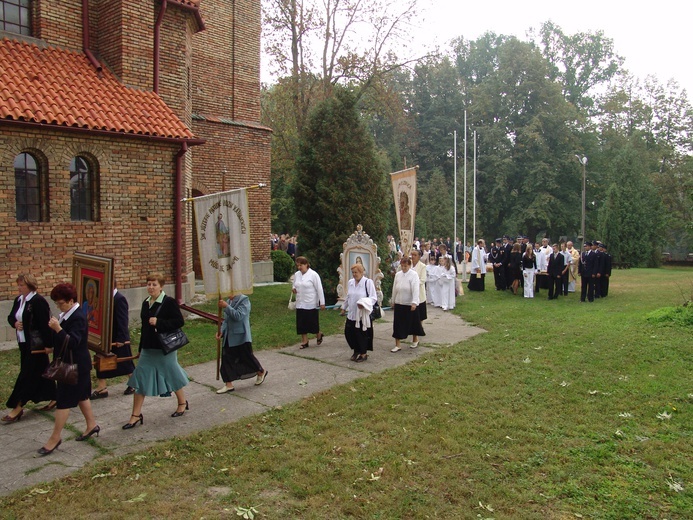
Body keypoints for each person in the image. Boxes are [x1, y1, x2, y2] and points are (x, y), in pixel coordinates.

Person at [122, 273, 189, 429]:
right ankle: (135, 415)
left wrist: (159, 322)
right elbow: (145, 328)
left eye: (154, 284)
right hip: (148, 348)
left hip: (164, 348)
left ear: (161, 286)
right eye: (148, 284)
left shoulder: (169, 302)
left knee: (171, 374)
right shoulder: (146, 303)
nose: (150, 287)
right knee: (140, 379)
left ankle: (182, 402)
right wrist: (140, 348)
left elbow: (179, 321)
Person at [38, 283, 99, 455]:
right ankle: (92, 425)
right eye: (56, 303)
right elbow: (62, 339)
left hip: (75, 365)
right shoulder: (66, 313)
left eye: (60, 303)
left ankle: (55, 438)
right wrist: (52, 342)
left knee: (63, 401)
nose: (58, 306)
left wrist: (58, 329)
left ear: (71, 301)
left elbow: (73, 342)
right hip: (69, 363)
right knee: (81, 396)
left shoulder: (78, 317)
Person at [3, 274, 56, 423]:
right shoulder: (19, 300)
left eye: (22, 285)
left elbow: (45, 324)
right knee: (42, 372)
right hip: (23, 343)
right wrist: (15, 323)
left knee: (27, 375)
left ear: (30, 286)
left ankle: (18, 406)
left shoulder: (37, 301)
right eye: (18, 285)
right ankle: (54, 396)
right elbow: (11, 317)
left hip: (36, 346)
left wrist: (48, 344)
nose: (19, 288)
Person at [90, 282, 136, 399]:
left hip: (118, 337)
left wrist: (122, 338)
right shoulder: (104, 299)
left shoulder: (119, 299)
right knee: (101, 359)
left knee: (123, 361)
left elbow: (122, 320)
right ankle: (102, 387)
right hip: (105, 337)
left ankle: (134, 383)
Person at [215, 294, 267, 393]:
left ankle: (260, 371)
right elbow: (226, 320)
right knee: (226, 359)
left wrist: (226, 306)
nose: (228, 295)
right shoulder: (228, 301)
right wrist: (221, 331)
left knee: (247, 357)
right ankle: (228, 384)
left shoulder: (244, 300)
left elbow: (238, 316)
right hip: (229, 336)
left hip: (241, 336)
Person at [340, 263, 377, 362]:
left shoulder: (368, 282)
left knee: (361, 334)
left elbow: (373, 298)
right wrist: (344, 307)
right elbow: (348, 296)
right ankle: (356, 350)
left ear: (361, 272)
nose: (354, 274)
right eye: (353, 272)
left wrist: (364, 304)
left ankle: (363, 353)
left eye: (356, 272)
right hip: (352, 313)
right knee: (349, 333)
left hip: (362, 315)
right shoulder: (351, 282)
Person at [390, 257, 424, 352]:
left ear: (409, 265)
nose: (404, 268)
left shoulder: (413, 275)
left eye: (405, 266)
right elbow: (394, 288)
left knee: (413, 323)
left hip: (409, 304)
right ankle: (398, 344)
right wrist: (393, 300)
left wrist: (414, 302)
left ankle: (415, 339)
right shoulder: (398, 275)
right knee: (398, 324)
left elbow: (415, 289)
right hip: (399, 302)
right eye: (402, 266)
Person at [292, 256, 326, 349]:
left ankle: (318, 334)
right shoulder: (297, 275)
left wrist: (322, 302)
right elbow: (294, 284)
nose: (299, 267)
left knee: (312, 323)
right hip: (300, 302)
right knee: (301, 323)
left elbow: (319, 289)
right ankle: (304, 341)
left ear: (306, 264)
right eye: (298, 266)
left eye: (301, 265)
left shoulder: (313, 275)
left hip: (310, 302)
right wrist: (294, 289)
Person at [410, 250, 428, 346]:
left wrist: (414, 284)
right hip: (409, 295)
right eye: (412, 255)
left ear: (419, 256)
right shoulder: (409, 265)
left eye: (415, 255)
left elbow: (423, 280)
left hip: (419, 294)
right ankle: (414, 331)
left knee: (420, 315)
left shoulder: (422, 266)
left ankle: (418, 331)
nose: (412, 256)